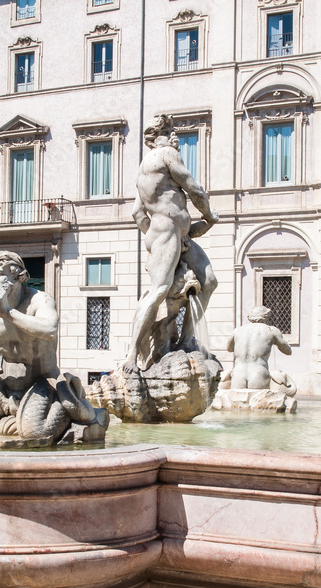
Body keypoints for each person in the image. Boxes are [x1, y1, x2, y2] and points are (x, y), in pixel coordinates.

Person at [0, 251, 100, 439]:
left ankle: (37, 417)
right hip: (5, 386)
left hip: (42, 384)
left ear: (18, 277)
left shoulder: (39, 300)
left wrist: (7, 312)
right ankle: (8, 415)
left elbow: (50, 329)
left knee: (35, 433)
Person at [124, 114, 219, 372]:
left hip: (173, 233)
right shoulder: (167, 154)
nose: (174, 137)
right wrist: (208, 215)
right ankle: (131, 354)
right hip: (168, 230)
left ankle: (188, 339)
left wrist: (166, 232)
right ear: (160, 136)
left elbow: (137, 213)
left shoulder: (145, 168)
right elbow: (194, 188)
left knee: (208, 280)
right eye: (169, 131)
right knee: (160, 289)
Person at [225, 306, 297, 397]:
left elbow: (229, 349)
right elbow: (288, 351)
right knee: (260, 409)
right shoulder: (271, 330)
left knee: (237, 408)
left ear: (249, 317)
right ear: (266, 316)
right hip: (258, 375)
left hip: (238, 376)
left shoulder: (237, 331)